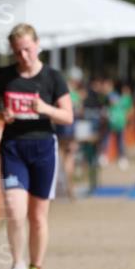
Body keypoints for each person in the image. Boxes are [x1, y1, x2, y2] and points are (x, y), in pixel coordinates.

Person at [0, 24, 73, 269]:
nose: (23, 55)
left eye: (27, 48)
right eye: (17, 51)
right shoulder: (3, 76)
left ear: (37, 44)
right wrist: (2, 113)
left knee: (37, 216)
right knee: (14, 211)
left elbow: (68, 116)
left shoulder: (52, 77)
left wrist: (45, 108)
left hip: (44, 148)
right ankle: (17, 265)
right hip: (13, 147)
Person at [56, 67, 85, 199]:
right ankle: (70, 188)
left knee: (62, 159)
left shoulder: (60, 91)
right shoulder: (75, 94)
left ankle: (65, 187)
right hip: (70, 130)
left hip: (60, 129)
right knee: (69, 159)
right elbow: (79, 113)